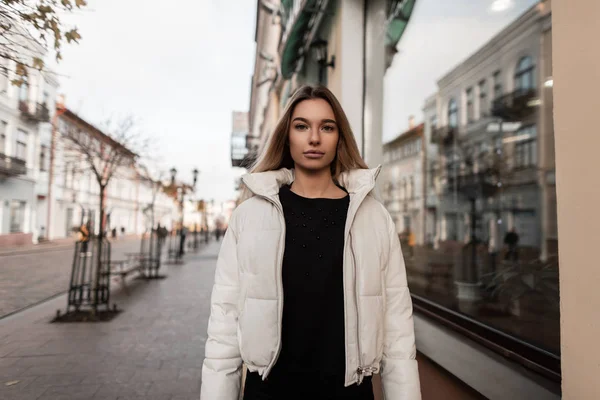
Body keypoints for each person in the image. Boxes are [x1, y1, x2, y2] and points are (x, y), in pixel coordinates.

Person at [201, 85, 421, 400]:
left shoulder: (373, 218)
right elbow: (224, 324)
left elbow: (397, 328)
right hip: (270, 391)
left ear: (339, 137)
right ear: (287, 136)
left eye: (326, 127)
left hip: (348, 393)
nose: (314, 138)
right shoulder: (249, 218)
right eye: (302, 126)